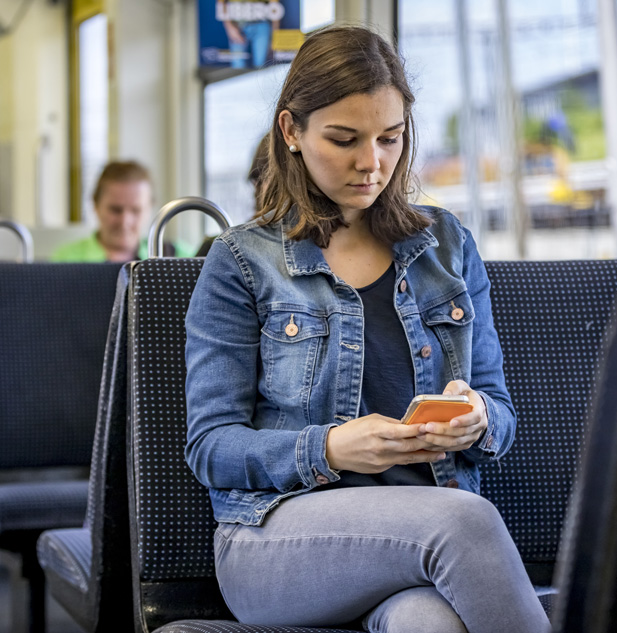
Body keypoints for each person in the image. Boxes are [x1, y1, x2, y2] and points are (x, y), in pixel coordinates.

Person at [184, 26, 550, 633]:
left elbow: (502, 418)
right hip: (279, 541)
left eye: (391, 138)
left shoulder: (447, 245)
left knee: (426, 624)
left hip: (420, 543)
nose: (371, 163)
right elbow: (212, 448)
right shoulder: (242, 262)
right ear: (291, 132)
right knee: (464, 519)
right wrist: (329, 448)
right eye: (344, 139)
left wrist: (477, 417)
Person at [50, 160, 192, 262]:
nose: (125, 222)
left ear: (150, 208)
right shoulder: (66, 260)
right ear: (95, 205)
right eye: (115, 210)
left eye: (136, 210)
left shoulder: (179, 256)